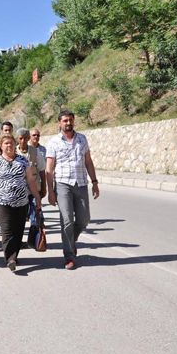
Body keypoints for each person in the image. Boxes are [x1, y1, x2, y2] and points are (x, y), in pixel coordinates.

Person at [46, 110, 100, 270]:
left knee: (84, 219)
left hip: (81, 183)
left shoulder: (82, 139)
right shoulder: (54, 142)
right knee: (67, 220)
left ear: (74, 121)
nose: (68, 123)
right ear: (59, 123)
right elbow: (49, 169)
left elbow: (88, 162)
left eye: (70, 120)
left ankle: (71, 240)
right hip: (63, 184)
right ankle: (69, 255)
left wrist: (95, 182)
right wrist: (50, 191)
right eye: (65, 120)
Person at [0, 134, 42, 272]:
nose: (9, 146)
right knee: (7, 229)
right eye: (6, 144)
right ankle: (10, 258)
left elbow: (30, 181)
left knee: (18, 230)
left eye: (11, 143)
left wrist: (37, 197)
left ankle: (14, 255)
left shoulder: (23, 161)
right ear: (1, 146)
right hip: (2, 201)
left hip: (22, 201)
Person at [16, 128, 47, 246]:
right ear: (17, 139)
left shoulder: (35, 152)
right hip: (18, 192)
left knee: (35, 217)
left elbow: (42, 170)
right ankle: (18, 242)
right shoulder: (13, 153)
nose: (23, 141)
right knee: (19, 219)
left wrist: (44, 188)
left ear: (29, 138)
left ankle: (33, 241)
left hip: (34, 191)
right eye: (20, 138)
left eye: (25, 138)